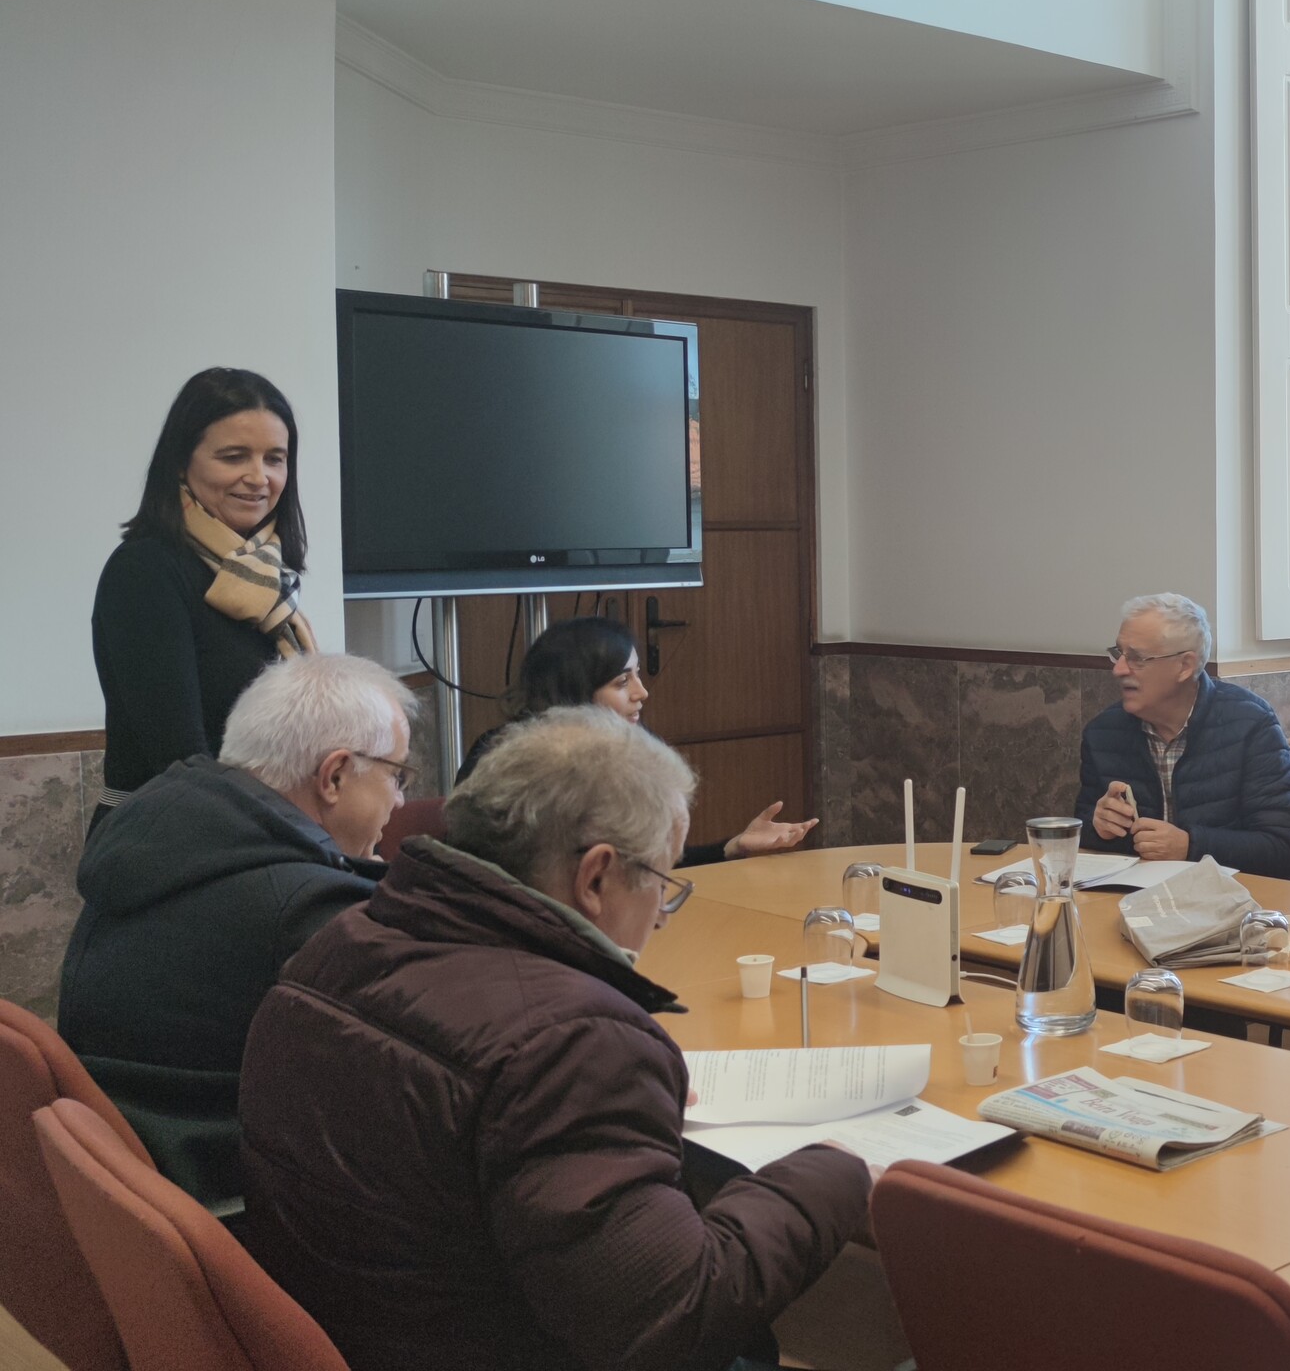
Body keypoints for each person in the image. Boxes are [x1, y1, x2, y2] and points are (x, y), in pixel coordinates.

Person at [236, 707, 870, 1371]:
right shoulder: (571, 1044)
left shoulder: (337, 943)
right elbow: (674, 1317)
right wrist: (830, 1170)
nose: (661, 916)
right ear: (595, 878)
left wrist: (607, 1109)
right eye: (663, 883)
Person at [57, 654, 414, 1205]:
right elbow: (403, 1089)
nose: (401, 799)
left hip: (120, 1176)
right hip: (226, 1199)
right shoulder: (309, 908)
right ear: (335, 776)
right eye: (396, 775)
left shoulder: (157, 836)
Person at [90, 368, 317, 831]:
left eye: (275, 459)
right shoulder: (144, 569)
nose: (259, 477)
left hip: (254, 827)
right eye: (234, 457)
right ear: (180, 462)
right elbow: (182, 761)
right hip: (167, 838)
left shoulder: (262, 574)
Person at [457, 615, 814, 866]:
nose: (642, 692)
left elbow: (646, 871)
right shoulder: (504, 761)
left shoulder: (634, 752)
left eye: (638, 675)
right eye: (622, 681)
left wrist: (733, 847)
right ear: (574, 691)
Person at [1075, 593, 1290, 880]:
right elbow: (1081, 830)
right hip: (1134, 894)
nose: (1118, 669)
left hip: (1231, 897)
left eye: (1137, 658)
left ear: (1185, 666)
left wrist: (1190, 846)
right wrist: (1099, 826)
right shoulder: (1104, 733)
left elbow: (1281, 849)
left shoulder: (1251, 725)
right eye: (1118, 653)